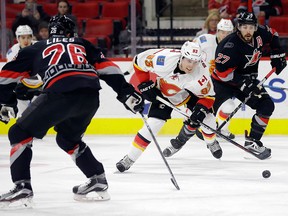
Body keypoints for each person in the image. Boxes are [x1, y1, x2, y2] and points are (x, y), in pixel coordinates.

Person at [0, 15, 144, 206]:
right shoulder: (82, 44)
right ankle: (97, 178)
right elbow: (110, 69)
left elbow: (6, 76)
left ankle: (22, 186)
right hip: (91, 97)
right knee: (67, 139)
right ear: (70, 32)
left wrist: (7, 102)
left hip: (60, 93)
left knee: (18, 133)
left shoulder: (37, 47)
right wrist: (126, 93)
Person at [116, 41, 222, 173]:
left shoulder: (201, 74)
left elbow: (209, 97)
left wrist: (200, 110)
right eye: (189, 61)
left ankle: (211, 142)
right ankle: (130, 158)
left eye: (195, 62)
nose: (192, 65)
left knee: (209, 120)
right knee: (153, 124)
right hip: (163, 92)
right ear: (181, 57)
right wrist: (144, 83)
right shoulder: (164, 59)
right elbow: (138, 61)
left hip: (189, 93)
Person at [212, 12, 287, 159]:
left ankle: (252, 142)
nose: (248, 31)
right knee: (218, 109)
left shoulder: (260, 33)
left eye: (251, 27)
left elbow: (274, 34)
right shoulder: (228, 46)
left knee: (266, 105)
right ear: (238, 27)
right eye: (244, 27)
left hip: (246, 78)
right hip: (223, 83)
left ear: (255, 27)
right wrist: (243, 84)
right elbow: (222, 73)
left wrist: (277, 54)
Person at [194, 18, 235, 139]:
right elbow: (189, 52)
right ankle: (198, 127)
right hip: (202, 84)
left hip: (219, 85)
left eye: (228, 33)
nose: (225, 35)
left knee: (229, 106)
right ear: (217, 31)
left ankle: (221, 128)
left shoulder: (235, 47)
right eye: (222, 31)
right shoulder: (204, 40)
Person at [6, 25, 38, 119]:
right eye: (23, 37)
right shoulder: (13, 51)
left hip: (39, 83)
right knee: (23, 115)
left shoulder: (39, 46)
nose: (26, 40)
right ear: (17, 38)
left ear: (32, 37)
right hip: (21, 85)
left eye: (28, 37)